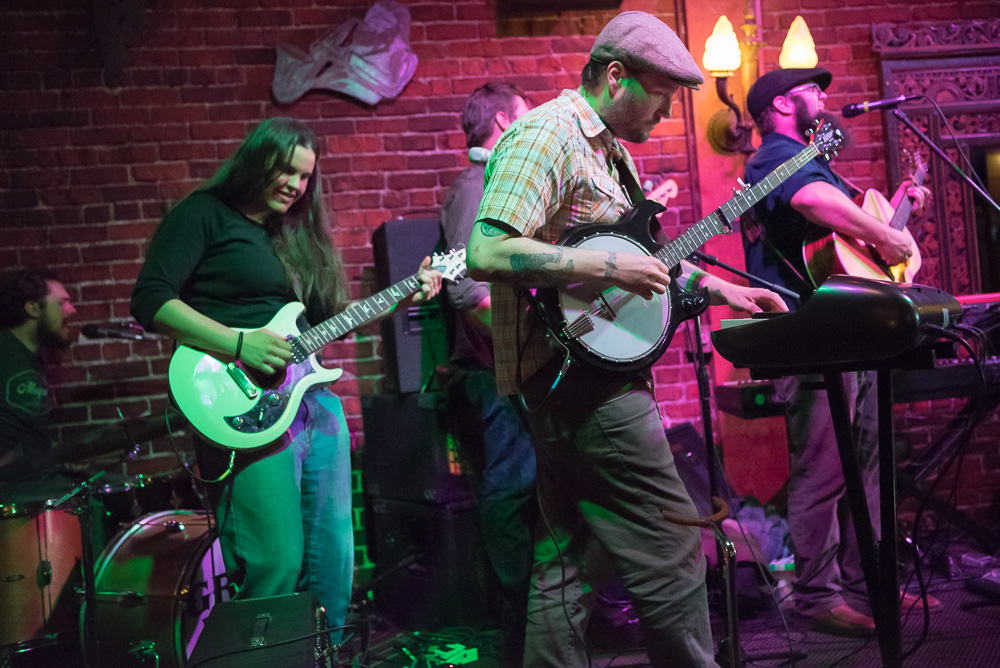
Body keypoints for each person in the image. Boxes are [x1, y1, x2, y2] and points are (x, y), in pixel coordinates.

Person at [467, 12, 787, 667]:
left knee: (571, 558)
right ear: (616, 77)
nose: (668, 113)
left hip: (581, 381)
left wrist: (726, 291)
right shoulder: (548, 136)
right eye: (663, 96)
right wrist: (607, 266)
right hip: (582, 384)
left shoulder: (604, 148)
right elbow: (486, 249)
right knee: (673, 545)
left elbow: (646, 251)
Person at [130, 117, 441, 639]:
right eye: (286, 171)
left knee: (333, 560)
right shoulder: (204, 215)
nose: (295, 186)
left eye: (304, 178)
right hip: (242, 404)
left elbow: (320, 326)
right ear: (256, 160)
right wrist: (238, 342)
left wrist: (402, 296)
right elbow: (151, 300)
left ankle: (324, 653)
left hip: (313, 405)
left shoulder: (297, 238)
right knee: (274, 560)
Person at [740, 67, 940, 636]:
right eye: (812, 90)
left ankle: (867, 584)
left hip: (853, 333)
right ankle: (816, 595)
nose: (824, 97)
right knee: (824, 470)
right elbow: (813, 201)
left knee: (871, 466)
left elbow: (854, 230)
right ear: (780, 104)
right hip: (811, 336)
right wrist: (887, 235)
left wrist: (897, 212)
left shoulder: (811, 155)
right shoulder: (774, 158)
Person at [439, 81, 535, 667]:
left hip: (511, 364)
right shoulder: (476, 186)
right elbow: (467, 289)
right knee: (511, 487)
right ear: (502, 119)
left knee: (524, 486)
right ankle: (518, 622)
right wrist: (524, 345)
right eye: (523, 117)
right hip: (500, 366)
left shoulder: (496, 181)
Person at [0, 269, 76, 485]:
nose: (72, 309)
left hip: (39, 478)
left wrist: (60, 458)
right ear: (33, 308)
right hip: (13, 489)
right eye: (62, 303)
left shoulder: (35, 358)